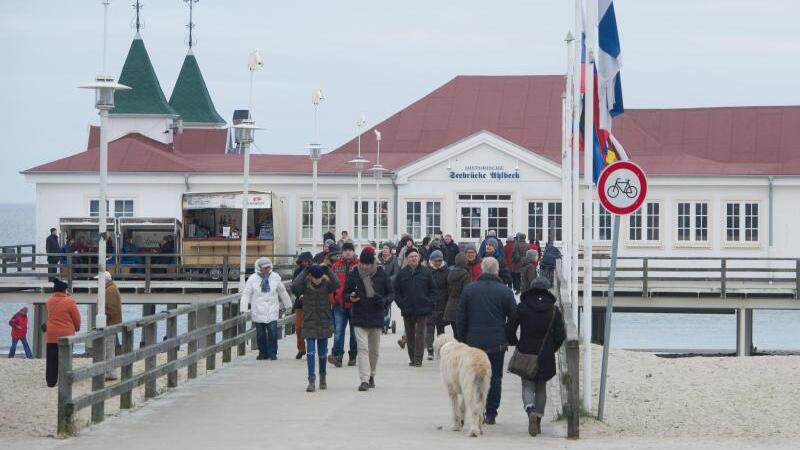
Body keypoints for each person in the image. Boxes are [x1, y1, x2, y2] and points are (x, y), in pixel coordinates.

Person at [457, 257, 516, 425]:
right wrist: (508, 336)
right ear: (497, 271)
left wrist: (463, 338)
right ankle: (491, 413)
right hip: (497, 342)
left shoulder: (469, 290)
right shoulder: (505, 292)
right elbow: (514, 317)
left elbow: (461, 317)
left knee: (472, 378)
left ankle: (475, 410)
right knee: (495, 377)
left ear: (482, 269)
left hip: (473, 342)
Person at [506, 275, 566, 436]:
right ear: (547, 290)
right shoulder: (554, 310)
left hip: (526, 350)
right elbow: (561, 334)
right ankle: (538, 418)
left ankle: (530, 410)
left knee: (527, 385)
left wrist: (515, 342)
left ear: (531, 288)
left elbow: (510, 326)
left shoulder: (523, 306)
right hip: (545, 353)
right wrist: (551, 348)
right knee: (541, 386)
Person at [344, 246, 391, 391]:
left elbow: (391, 293)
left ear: (372, 263)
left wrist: (384, 301)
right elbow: (345, 293)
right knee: (362, 348)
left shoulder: (381, 274)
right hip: (359, 315)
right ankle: (364, 379)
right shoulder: (354, 274)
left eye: (367, 264)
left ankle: (372, 375)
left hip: (376, 316)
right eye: (362, 263)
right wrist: (350, 297)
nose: (364, 266)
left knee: (374, 350)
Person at [292, 263, 339, 392]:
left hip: (323, 321)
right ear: (310, 276)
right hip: (309, 321)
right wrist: (306, 270)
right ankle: (311, 380)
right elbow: (294, 286)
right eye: (315, 278)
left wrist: (328, 270)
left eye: (319, 277)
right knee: (311, 353)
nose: (317, 280)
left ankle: (323, 376)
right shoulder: (304, 285)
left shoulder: (326, 285)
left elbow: (337, 284)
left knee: (323, 354)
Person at [240, 257, 292, 360]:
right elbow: (246, 294)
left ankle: (272, 352)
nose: (267, 269)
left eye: (268, 267)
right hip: (258, 310)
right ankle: (262, 352)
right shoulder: (253, 278)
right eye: (265, 268)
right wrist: (244, 309)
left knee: (273, 332)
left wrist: (288, 305)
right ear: (259, 268)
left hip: (272, 309)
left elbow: (282, 292)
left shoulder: (275, 277)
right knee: (260, 334)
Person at [393, 247, 435, 367]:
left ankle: (418, 359)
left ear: (419, 258)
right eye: (411, 257)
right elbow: (396, 291)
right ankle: (412, 358)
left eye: (416, 256)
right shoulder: (402, 273)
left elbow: (433, 289)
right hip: (407, 309)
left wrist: (430, 302)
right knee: (410, 336)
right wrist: (402, 304)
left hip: (423, 309)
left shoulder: (426, 272)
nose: (414, 258)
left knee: (420, 335)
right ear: (407, 259)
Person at [45, 279, 81, 387]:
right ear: (64, 290)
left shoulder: (49, 301)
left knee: (51, 359)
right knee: (65, 358)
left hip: (51, 334)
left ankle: (51, 381)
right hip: (65, 335)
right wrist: (77, 328)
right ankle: (65, 380)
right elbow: (76, 318)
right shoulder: (69, 301)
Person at [329, 242, 359, 367]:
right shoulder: (335, 266)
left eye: (350, 250)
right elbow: (329, 284)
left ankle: (352, 355)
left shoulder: (358, 266)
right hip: (339, 304)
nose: (347, 252)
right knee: (339, 331)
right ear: (342, 252)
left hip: (354, 304)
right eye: (345, 250)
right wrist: (333, 299)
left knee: (354, 332)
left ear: (353, 252)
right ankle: (337, 355)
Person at [96, 271, 122, 380]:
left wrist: (101, 316)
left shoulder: (110, 290)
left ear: (105, 280)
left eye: (98, 280)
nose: (97, 282)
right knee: (109, 349)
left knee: (109, 349)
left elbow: (111, 309)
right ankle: (110, 372)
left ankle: (110, 373)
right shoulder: (110, 288)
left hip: (109, 324)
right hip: (111, 323)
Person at [425, 250, 449, 359]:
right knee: (429, 327)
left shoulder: (446, 271)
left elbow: (448, 288)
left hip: (442, 303)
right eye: (436, 261)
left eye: (440, 260)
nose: (438, 263)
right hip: (430, 303)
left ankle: (440, 350)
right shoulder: (427, 271)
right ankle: (430, 350)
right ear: (431, 260)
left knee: (440, 328)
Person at [291, 252, 314, 360]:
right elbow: (294, 285)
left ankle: (311, 349)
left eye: (306, 261)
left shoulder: (314, 270)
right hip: (299, 302)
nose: (305, 263)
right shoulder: (297, 271)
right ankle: (301, 349)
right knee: (298, 327)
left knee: (310, 327)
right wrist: (299, 294)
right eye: (303, 261)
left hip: (311, 302)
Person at [443, 252, 470, 341]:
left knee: (456, 333)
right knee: (462, 334)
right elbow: (466, 292)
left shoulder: (450, 273)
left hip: (450, 306)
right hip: (460, 306)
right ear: (465, 262)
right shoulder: (466, 274)